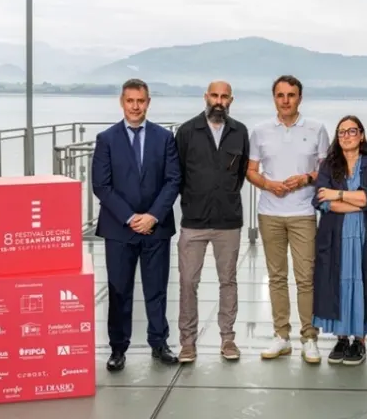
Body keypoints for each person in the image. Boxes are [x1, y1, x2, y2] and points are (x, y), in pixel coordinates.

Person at [91, 78, 181, 371]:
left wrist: (152, 215)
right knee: (119, 289)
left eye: (140, 101)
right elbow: (101, 186)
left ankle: (159, 343)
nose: (135, 106)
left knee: (156, 289)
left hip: (156, 226)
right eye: (130, 101)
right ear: (122, 102)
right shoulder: (106, 139)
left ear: (148, 102)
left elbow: (173, 180)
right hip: (119, 228)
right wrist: (131, 218)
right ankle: (118, 348)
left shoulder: (164, 138)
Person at [246, 75, 330, 363]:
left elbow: (326, 172)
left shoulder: (317, 129)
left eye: (291, 95)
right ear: (274, 98)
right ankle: (281, 335)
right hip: (269, 213)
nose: (285, 100)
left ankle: (309, 337)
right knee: (276, 278)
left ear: (300, 98)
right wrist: (269, 185)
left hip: (303, 213)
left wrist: (306, 178)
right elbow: (251, 170)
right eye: (280, 95)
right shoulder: (259, 131)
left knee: (306, 278)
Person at [174, 81, 250, 363]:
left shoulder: (239, 132)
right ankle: (187, 342)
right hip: (193, 220)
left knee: (227, 281)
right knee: (187, 281)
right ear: (206, 97)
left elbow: (240, 174)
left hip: (228, 221)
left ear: (231, 99)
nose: (219, 101)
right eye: (214, 96)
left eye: (224, 97)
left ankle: (228, 339)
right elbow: (178, 174)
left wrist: (224, 196)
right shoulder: (186, 132)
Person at [311, 115, 367, 366]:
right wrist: (357, 201)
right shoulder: (329, 166)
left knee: (362, 283)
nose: (347, 136)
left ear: (362, 135)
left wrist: (339, 195)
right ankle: (342, 338)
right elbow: (322, 201)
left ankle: (360, 341)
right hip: (335, 236)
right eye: (342, 132)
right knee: (339, 285)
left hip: (364, 237)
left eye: (352, 131)